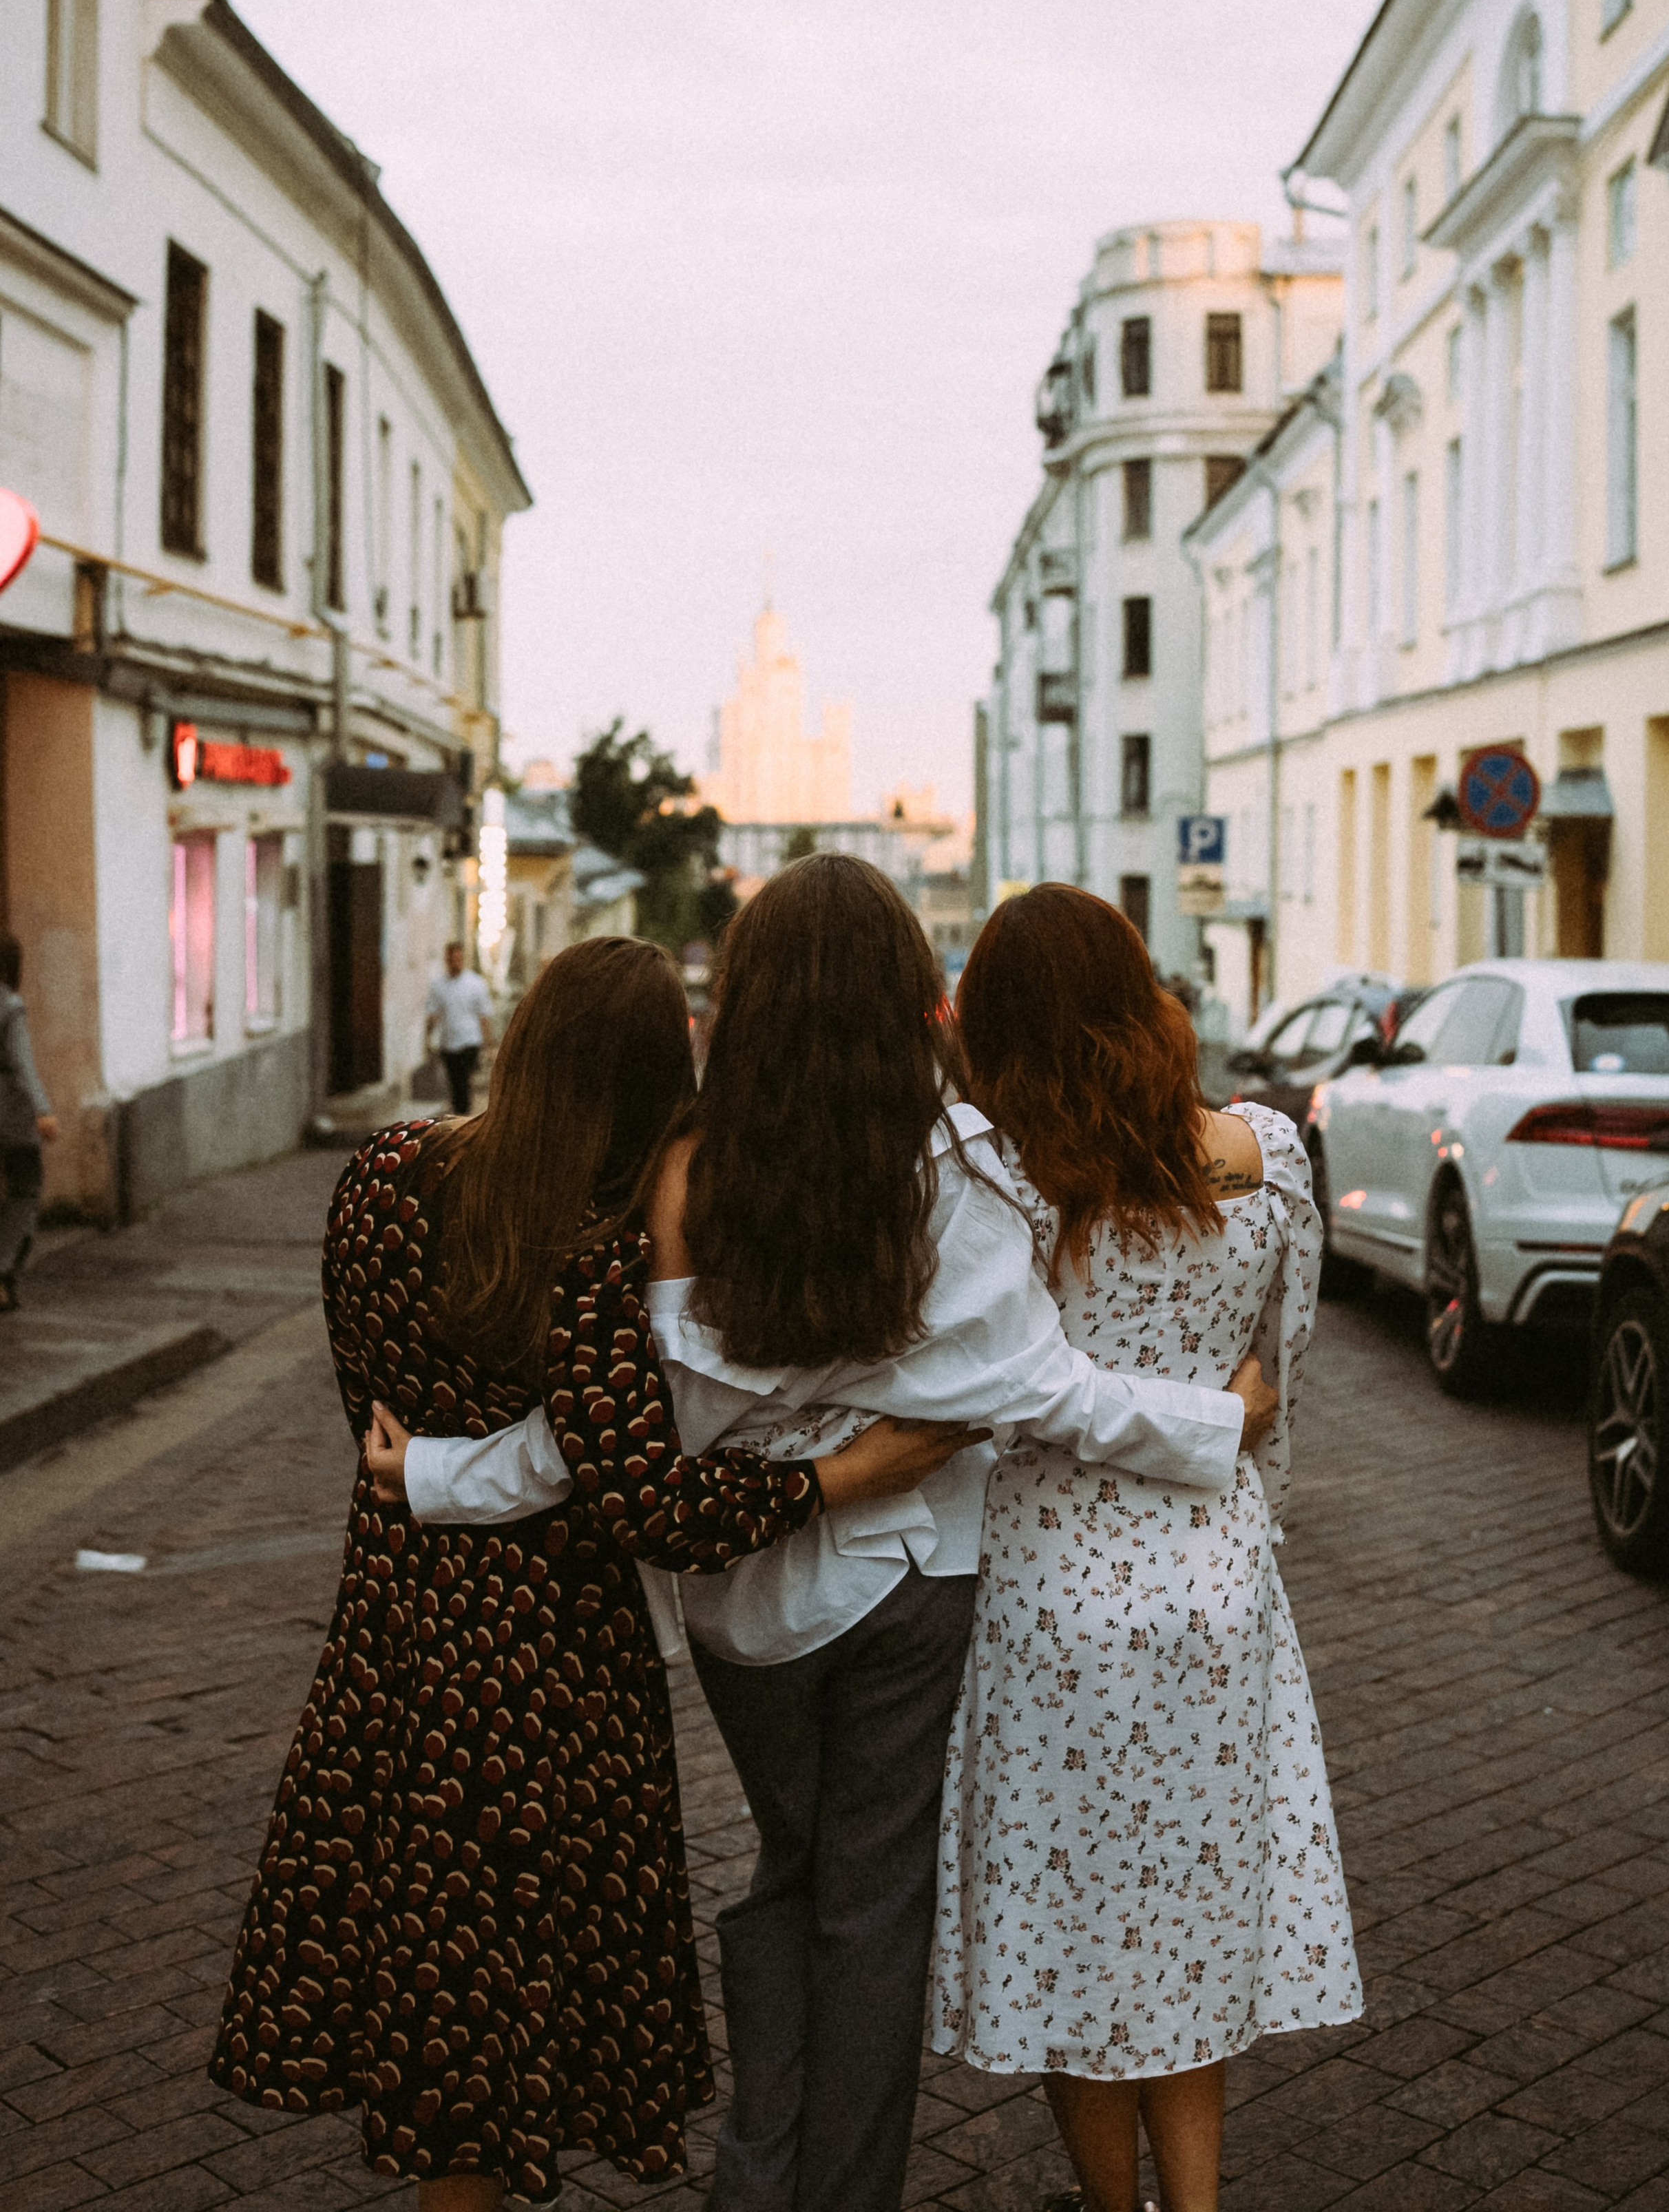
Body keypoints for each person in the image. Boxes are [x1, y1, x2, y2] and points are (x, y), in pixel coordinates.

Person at [392, 856, 1279, 2212]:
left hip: (747, 1619)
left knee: (786, 1872)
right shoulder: (956, 1171)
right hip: (912, 1587)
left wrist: (435, 1476)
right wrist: (1215, 1423)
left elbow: (632, 1426)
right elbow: (1044, 1390)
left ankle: (760, 2172)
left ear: (741, 999)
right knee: (869, 1912)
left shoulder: (686, 1170)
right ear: (907, 1002)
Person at [211, 936, 980, 2211]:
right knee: (498, 1993)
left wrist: (428, 1476)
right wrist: (852, 1476)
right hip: (547, 1663)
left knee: (427, 1973)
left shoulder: (381, 1175)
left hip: (396, 1628)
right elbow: (650, 1497)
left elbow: (376, 1409)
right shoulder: (594, 1247)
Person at [931, 884, 1362, 2212]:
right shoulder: (1269, 1157)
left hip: (1050, 1593)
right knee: (1190, 1922)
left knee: (1077, 1932)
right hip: (1219, 1584)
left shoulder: (998, 1174)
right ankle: (1199, 2203)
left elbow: (1003, 1388)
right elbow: (1275, 1373)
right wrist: (1245, 1498)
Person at [0, 934, 56, 1312]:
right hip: (10, 1113)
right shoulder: (9, 1005)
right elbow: (22, 1065)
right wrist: (43, 1110)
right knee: (26, 1187)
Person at [426, 938, 493, 1114]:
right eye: (451, 958)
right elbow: (433, 1014)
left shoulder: (476, 983)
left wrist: (488, 1044)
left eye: (458, 958)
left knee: (463, 1079)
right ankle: (460, 1112)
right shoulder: (438, 985)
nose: (455, 962)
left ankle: (463, 1113)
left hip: (470, 1040)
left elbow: (484, 1015)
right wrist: (427, 1039)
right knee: (455, 1081)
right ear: (447, 960)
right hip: (448, 1042)